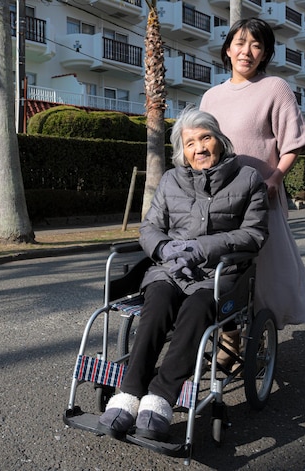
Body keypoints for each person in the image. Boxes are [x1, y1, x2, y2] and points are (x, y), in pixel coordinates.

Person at [98, 106, 269, 441]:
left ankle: (160, 398)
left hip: (218, 273)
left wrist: (201, 248)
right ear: (182, 151)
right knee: (157, 302)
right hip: (170, 269)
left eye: (205, 138)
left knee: (196, 310)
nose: (199, 148)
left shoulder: (248, 179)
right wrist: (164, 250)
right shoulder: (171, 180)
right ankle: (129, 394)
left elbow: (255, 234)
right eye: (190, 143)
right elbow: (149, 228)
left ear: (219, 141)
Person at [200, 18, 305, 334]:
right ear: (228, 49)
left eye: (257, 45)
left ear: (264, 54)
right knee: (221, 269)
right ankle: (228, 337)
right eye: (240, 43)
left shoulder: (275, 88)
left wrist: (275, 179)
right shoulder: (211, 96)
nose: (247, 52)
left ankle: (258, 333)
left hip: (259, 198)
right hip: (217, 200)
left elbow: (293, 143)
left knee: (263, 274)